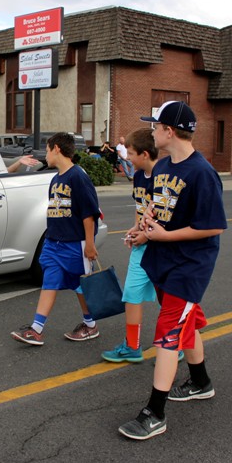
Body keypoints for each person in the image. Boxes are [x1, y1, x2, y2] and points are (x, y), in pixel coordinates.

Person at [119, 101, 227, 441]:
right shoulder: (164, 166)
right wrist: (142, 231)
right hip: (162, 259)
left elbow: (213, 227)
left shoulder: (202, 172)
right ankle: (200, 382)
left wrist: (165, 236)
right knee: (188, 322)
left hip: (188, 266)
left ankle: (155, 412)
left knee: (168, 334)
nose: (152, 131)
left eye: (155, 126)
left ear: (168, 131)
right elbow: (156, 208)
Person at [10, 132, 102, 345]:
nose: (46, 155)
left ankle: (90, 325)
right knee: (49, 281)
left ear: (57, 149)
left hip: (74, 242)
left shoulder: (78, 176)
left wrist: (89, 244)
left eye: (48, 150)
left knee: (80, 285)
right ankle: (36, 329)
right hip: (54, 242)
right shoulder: (56, 178)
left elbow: (89, 213)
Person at [101, 128, 159, 363]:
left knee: (171, 299)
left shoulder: (163, 176)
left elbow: (166, 215)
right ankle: (132, 346)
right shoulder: (138, 176)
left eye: (131, 153)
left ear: (144, 154)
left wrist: (146, 235)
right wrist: (135, 230)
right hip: (142, 246)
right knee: (132, 294)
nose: (127, 157)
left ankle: (178, 343)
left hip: (164, 248)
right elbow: (141, 210)